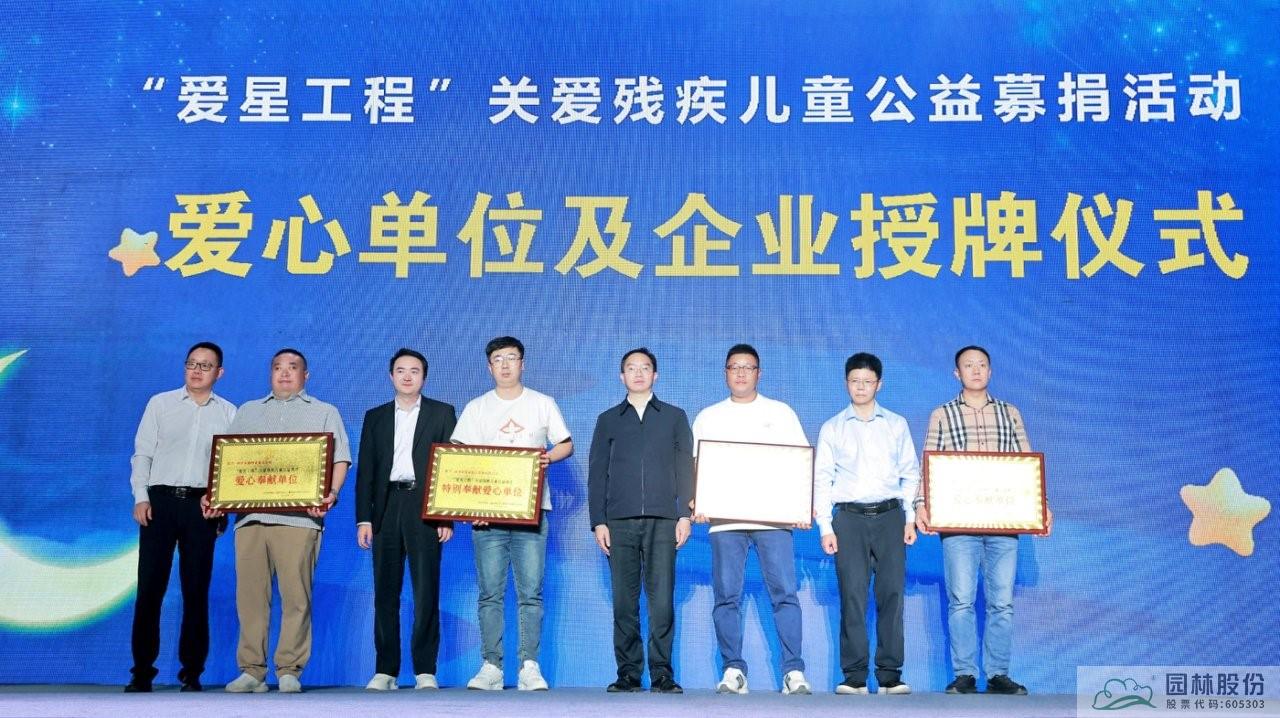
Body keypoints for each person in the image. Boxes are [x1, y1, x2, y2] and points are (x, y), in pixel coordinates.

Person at [204, 348, 351, 694]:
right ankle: (251, 670)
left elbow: (340, 459)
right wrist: (216, 496)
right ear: (270, 373)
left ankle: (289, 669)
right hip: (251, 519)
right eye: (278, 367)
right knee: (250, 598)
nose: (285, 373)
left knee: (296, 597)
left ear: (305, 375)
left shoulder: (325, 412)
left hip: (300, 520)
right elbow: (229, 461)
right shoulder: (248, 411)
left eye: (293, 367)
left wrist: (330, 493)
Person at [914, 345, 1052, 696]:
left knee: (1001, 602)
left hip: (1003, 521)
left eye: (981, 365)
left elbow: (1026, 462)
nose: (975, 370)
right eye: (968, 365)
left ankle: (997, 674)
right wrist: (921, 504)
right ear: (956, 373)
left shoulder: (1010, 413)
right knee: (961, 600)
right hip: (958, 523)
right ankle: (964, 674)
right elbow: (929, 462)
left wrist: (1041, 506)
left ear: (990, 371)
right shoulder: (942, 414)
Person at [452, 337, 573, 691]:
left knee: (530, 593)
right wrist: (469, 506)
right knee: (490, 593)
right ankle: (491, 665)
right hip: (487, 515)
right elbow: (459, 456)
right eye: (498, 359)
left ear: (523, 363)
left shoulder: (542, 403)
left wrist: (547, 457)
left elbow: (565, 443)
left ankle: (528, 666)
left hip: (530, 513)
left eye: (511, 358)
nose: (505, 365)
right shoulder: (477, 408)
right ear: (489, 367)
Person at [691, 343, 812, 696]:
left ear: (759, 373)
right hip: (725, 521)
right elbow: (697, 468)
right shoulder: (709, 416)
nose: (741, 373)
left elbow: (799, 463)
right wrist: (697, 501)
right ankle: (733, 670)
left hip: (774, 520)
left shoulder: (781, 413)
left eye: (748, 367)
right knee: (726, 595)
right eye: (734, 367)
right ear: (725, 373)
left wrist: (800, 507)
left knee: (784, 593)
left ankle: (793, 672)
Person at [125, 342, 236, 693]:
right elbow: (142, 454)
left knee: (196, 590)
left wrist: (221, 504)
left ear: (219, 373)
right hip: (159, 503)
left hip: (201, 507)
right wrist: (141, 497)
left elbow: (231, 467)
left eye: (205, 365)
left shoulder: (229, 413)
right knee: (150, 589)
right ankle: (142, 672)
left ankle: (192, 672)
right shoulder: (160, 404)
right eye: (192, 363)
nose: (197, 371)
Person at [588, 347, 693, 694]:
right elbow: (596, 473)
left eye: (644, 368)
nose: (638, 373)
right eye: (631, 368)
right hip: (619, 521)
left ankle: (662, 674)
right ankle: (628, 674)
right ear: (622, 376)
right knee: (624, 601)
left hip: (664, 520)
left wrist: (684, 514)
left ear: (655, 375)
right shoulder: (608, 419)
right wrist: (598, 521)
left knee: (661, 601)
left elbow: (685, 468)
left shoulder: (674, 417)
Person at [813, 352, 919, 696]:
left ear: (879, 384)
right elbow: (822, 480)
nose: (861, 387)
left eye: (867, 381)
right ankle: (854, 676)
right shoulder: (832, 427)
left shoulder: (896, 424)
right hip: (849, 519)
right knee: (852, 595)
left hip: (890, 517)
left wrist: (910, 518)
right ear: (846, 383)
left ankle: (890, 675)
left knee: (892, 595)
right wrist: (825, 526)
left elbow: (910, 473)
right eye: (855, 381)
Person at [355, 348, 457, 691]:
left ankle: (425, 669)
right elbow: (366, 471)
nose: (408, 376)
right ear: (391, 376)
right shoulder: (376, 416)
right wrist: (364, 519)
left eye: (415, 370)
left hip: (425, 506)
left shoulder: (442, 412)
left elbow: (451, 465)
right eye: (401, 370)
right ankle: (385, 670)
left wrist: (446, 515)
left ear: (424, 376)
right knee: (385, 590)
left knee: (426, 589)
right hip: (386, 505)